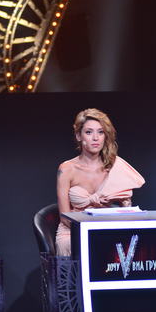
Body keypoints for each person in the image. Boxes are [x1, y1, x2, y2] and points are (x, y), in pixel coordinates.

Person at [55, 108, 145, 256]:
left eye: (100, 132)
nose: (95, 138)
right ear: (79, 136)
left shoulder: (114, 167)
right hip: (72, 231)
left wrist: (125, 205)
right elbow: (65, 218)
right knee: (79, 245)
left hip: (104, 229)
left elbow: (125, 209)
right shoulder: (66, 169)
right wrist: (91, 233)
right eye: (89, 132)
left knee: (134, 245)